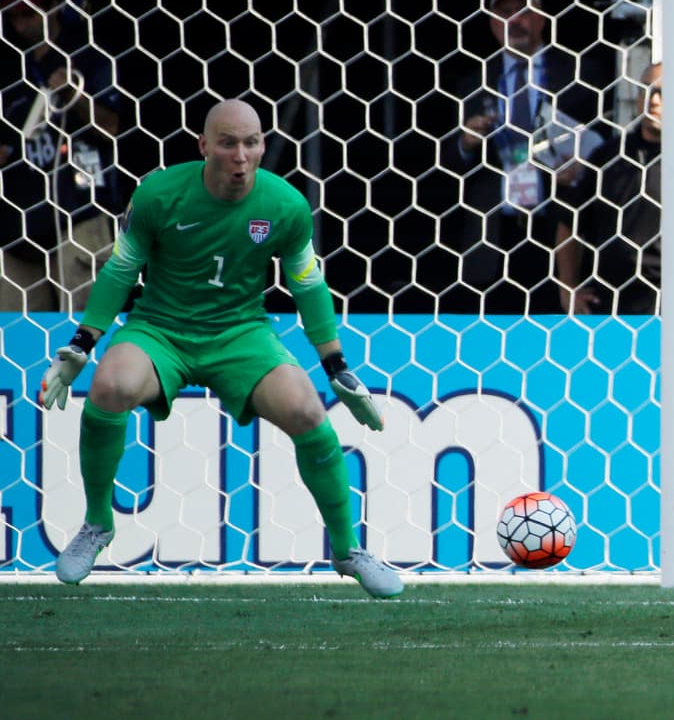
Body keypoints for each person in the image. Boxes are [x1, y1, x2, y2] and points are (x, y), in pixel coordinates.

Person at [37, 99, 404, 598]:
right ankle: (98, 523)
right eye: (228, 143)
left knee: (307, 410)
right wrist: (83, 343)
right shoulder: (159, 194)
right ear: (204, 146)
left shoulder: (286, 206)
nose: (241, 154)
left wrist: (336, 366)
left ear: (262, 146)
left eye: (251, 142)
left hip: (240, 333)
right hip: (161, 330)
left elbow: (308, 285)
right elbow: (122, 271)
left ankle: (348, 550)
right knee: (110, 384)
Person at [440, 0, 606, 314]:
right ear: (491, 24)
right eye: (504, 13)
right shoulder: (472, 82)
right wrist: (466, 143)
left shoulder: (581, 74)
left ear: (542, 18)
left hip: (558, 225)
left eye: (523, 11)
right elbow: (442, 163)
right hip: (494, 230)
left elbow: (604, 146)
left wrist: (583, 167)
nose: (514, 20)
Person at [1, 0, 123, 311]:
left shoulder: (86, 54)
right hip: (18, 226)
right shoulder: (10, 69)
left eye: (29, 13)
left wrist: (74, 93)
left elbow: (111, 127)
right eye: (13, 15)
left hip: (79, 212)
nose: (20, 23)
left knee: (82, 331)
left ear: (53, 5)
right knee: (15, 334)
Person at [555, 62, 663, 314]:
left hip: (671, 307)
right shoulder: (608, 155)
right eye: (646, 91)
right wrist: (567, 288)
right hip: (609, 306)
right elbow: (569, 222)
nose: (654, 101)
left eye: (664, 93)